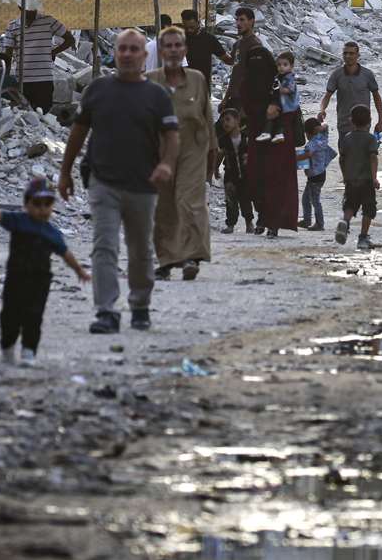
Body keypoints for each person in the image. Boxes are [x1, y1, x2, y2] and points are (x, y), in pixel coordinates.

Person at [60, 28, 180, 336]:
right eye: (122, 49)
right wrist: (65, 172)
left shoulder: (157, 95)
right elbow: (78, 132)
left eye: (133, 50)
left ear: (144, 56)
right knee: (105, 247)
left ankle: (140, 305)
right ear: (115, 52)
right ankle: (106, 311)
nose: (127, 54)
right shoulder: (98, 90)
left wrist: (166, 164)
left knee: (140, 249)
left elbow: (171, 136)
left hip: (143, 184)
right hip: (104, 182)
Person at [0, 176, 87, 365]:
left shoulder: (51, 233)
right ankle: (7, 347)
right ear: (26, 204)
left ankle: (29, 350)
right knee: (10, 314)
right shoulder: (18, 221)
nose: (42, 209)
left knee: (34, 315)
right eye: (37, 203)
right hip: (16, 277)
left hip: (40, 280)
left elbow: (65, 253)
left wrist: (79, 270)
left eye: (47, 204)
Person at [148, 26, 217, 282]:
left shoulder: (197, 79)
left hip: (192, 148)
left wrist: (213, 156)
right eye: (169, 46)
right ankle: (167, 260)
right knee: (163, 206)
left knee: (188, 200)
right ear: (161, 51)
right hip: (161, 150)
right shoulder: (151, 81)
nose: (174, 50)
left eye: (178, 45)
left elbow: (207, 118)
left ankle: (191, 256)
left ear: (185, 50)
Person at [2, 9, 75, 113]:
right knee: (26, 116)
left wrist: (53, 52)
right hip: (23, 80)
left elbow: (70, 39)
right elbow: (7, 55)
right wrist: (5, 79)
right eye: (27, 7)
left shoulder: (49, 21)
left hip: (44, 80)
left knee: (44, 116)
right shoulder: (12, 26)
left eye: (33, 7)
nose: (31, 10)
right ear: (20, 6)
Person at [247, 100, 298, 237]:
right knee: (271, 182)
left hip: (268, 144)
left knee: (266, 180)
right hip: (275, 143)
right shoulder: (286, 97)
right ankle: (268, 221)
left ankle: (267, 220)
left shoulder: (266, 93)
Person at [334, 104, 380, 249]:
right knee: (368, 209)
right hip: (366, 181)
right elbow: (373, 158)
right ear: (369, 121)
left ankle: (345, 222)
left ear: (351, 121)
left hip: (351, 180)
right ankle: (363, 237)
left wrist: (345, 175)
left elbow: (342, 159)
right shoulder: (370, 139)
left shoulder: (346, 139)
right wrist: (374, 178)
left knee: (350, 205)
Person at [319, 42, 382, 136]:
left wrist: (381, 120)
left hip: (363, 125)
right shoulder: (336, 75)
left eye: (351, 53)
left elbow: (377, 97)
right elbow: (327, 96)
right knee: (344, 149)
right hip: (344, 124)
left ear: (358, 56)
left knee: (363, 149)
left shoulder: (367, 74)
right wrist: (322, 110)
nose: (348, 56)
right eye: (345, 53)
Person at [213, 104, 254, 233]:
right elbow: (220, 154)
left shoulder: (246, 137)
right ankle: (230, 224)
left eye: (228, 119)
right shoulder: (224, 140)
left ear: (237, 121)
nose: (225, 123)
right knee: (230, 201)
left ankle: (249, 222)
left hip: (245, 174)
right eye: (223, 121)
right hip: (230, 174)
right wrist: (215, 169)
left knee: (245, 199)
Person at [296, 116, 336, 231]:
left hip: (315, 176)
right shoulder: (323, 137)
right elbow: (326, 126)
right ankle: (307, 220)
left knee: (314, 200)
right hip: (320, 174)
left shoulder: (312, 144)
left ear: (309, 133)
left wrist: (293, 158)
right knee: (306, 199)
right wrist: (320, 126)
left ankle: (319, 223)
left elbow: (307, 155)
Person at [179, 9, 233, 81]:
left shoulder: (209, 39)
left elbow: (226, 58)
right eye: (186, 28)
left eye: (192, 27)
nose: (189, 30)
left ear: (198, 23)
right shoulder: (180, 39)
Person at [274, 51, 302, 142]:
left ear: (291, 66)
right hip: (284, 106)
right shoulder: (279, 76)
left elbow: (289, 89)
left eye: (285, 64)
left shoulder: (290, 77)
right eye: (279, 65)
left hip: (290, 108)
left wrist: (278, 89)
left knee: (285, 126)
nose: (281, 67)